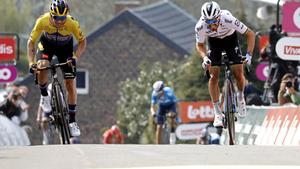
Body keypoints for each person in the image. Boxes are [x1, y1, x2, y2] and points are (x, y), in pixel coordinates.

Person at [27, 0, 87, 137]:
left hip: (65, 49)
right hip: (46, 45)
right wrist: (31, 63)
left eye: (63, 18)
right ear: (51, 15)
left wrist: (75, 57)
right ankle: (45, 96)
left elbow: (83, 41)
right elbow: (31, 42)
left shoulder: (72, 23)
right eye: (56, 18)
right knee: (42, 66)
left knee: (70, 84)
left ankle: (72, 121)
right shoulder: (42, 21)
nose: (60, 21)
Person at [195, 1, 255, 127]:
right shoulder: (200, 26)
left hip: (230, 40)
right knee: (213, 76)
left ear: (219, 17)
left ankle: (240, 97)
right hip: (214, 43)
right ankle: (217, 113)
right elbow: (200, 45)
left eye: (214, 21)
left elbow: (250, 34)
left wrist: (249, 55)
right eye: (208, 22)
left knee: (238, 73)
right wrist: (205, 58)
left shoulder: (227, 18)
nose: (212, 25)